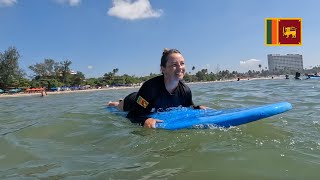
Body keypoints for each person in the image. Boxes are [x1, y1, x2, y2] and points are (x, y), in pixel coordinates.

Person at [108, 48, 205, 128]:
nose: (180, 68)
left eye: (182, 63)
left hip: (147, 102)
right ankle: (114, 103)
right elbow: (132, 115)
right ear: (163, 69)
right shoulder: (150, 88)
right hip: (134, 101)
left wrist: (198, 107)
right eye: (174, 65)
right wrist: (145, 120)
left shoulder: (185, 91)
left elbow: (189, 107)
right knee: (117, 107)